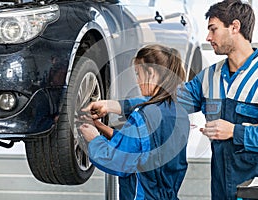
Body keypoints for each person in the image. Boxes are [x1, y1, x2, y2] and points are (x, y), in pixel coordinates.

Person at [83, 1, 258, 199]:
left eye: (213, 29)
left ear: (235, 27)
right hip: (221, 185)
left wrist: (234, 131)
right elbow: (167, 100)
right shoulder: (210, 77)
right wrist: (117, 106)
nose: (208, 37)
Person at [79, 44, 190, 199]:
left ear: (150, 73)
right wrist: (103, 127)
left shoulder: (143, 117)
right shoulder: (180, 114)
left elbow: (116, 160)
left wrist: (94, 139)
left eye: (138, 74)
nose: (137, 81)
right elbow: (143, 149)